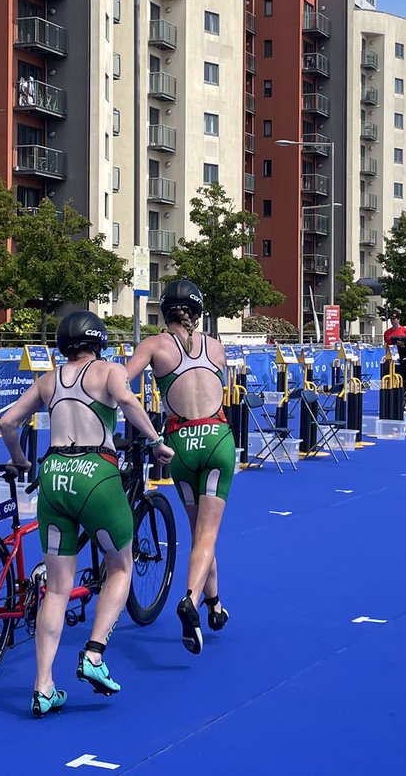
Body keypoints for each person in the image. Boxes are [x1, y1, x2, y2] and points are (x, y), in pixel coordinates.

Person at [0, 310, 173, 718]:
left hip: (54, 475)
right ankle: (93, 653)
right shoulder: (110, 371)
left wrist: (21, 459)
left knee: (57, 588)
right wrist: (156, 440)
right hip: (96, 474)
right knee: (121, 567)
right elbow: (128, 402)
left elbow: (7, 421)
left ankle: (43, 686)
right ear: (98, 342)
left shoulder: (48, 380)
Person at [125, 279, 233, 656]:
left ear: (164, 310)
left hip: (179, 443)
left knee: (198, 532)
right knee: (208, 534)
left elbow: (121, 384)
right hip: (217, 438)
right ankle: (190, 599)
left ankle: (214, 605)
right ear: (198, 313)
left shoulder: (154, 345)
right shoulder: (216, 347)